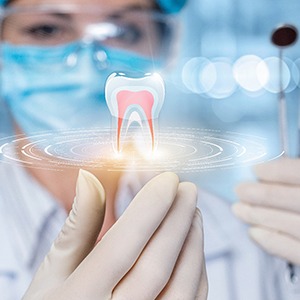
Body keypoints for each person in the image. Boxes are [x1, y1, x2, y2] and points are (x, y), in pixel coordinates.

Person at [0, 1, 300, 300]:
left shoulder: (249, 242)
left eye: (125, 32)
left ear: (167, 49)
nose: (87, 65)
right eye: (46, 29)